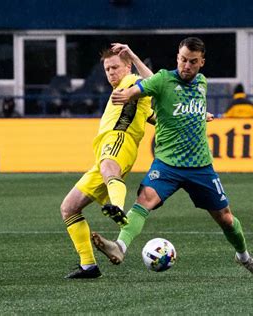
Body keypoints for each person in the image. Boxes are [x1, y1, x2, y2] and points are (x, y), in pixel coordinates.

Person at [92, 37, 253, 279]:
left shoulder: (202, 83)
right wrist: (128, 95)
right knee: (145, 199)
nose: (187, 65)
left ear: (201, 63)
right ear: (178, 58)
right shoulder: (164, 79)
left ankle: (244, 257)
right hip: (167, 164)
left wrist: (200, 115)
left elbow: (183, 104)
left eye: (193, 61)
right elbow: (143, 86)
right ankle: (119, 247)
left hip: (201, 167)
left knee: (226, 219)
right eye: (183, 60)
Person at [60, 44, 155, 279]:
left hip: (119, 140)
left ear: (128, 67)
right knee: (69, 208)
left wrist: (133, 54)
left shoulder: (133, 81)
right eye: (107, 69)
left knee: (109, 167)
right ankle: (88, 265)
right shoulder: (128, 92)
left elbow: (155, 81)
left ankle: (118, 209)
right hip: (104, 150)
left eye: (115, 67)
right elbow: (152, 115)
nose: (111, 72)